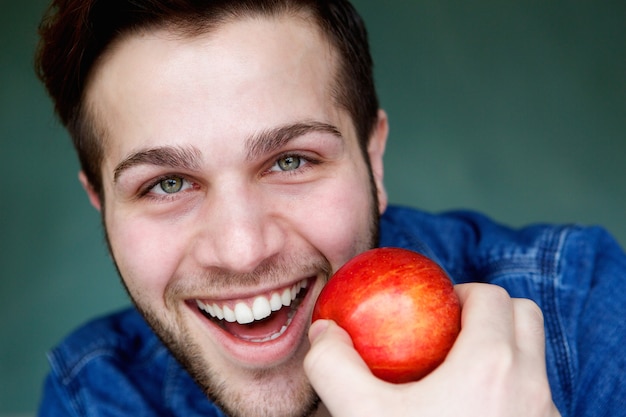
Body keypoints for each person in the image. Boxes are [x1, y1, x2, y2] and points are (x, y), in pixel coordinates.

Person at [34, 0, 626, 416]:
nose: (243, 250)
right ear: (102, 204)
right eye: (166, 184)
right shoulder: (97, 395)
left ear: (374, 158)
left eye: (291, 161)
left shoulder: (580, 305)